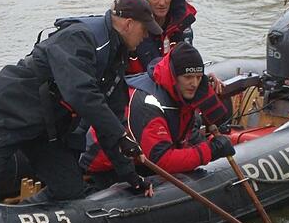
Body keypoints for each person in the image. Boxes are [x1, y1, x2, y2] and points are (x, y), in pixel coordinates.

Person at [0, 0, 161, 204]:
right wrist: (119, 136)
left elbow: (111, 119)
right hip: (11, 112)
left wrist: (130, 176)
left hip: (47, 129)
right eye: (144, 30)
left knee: (68, 190)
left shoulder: (116, 57)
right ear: (128, 24)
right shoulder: (80, 38)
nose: (146, 37)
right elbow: (81, 93)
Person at [81, 42, 234, 186]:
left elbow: (213, 115)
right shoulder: (148, 103)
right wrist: (210, 151)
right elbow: (162, 160)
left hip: (141, 157)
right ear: (174, 76)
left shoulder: (186, 90)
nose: (194, 83)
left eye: (198, 77)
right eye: (188, 77)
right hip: (106, 169)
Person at [126, 0, 198, 75]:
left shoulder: (181, 22)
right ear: (145, 0)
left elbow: (188, 61)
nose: (162, 3)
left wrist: (203, 77)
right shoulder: (131, 26)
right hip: (136, 82)